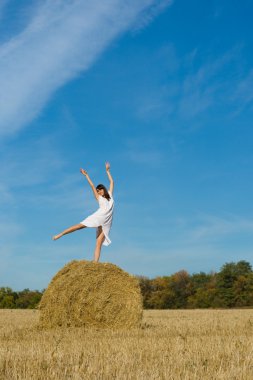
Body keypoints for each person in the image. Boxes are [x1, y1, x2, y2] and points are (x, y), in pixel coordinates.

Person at [53, 162, 114, 262]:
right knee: (79, 226)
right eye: (98, 191)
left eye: (100, 189)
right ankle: (61, 234)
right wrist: (86, 175)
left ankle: (95, 264)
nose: (99, 191)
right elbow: (92, 185)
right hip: (98, 217)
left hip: (107, 222)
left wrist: (107, 171)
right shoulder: (99, 198)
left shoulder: (110, 195)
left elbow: (111, 182)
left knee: (98, 243)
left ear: (104, 189)